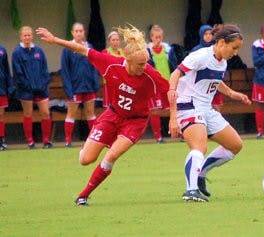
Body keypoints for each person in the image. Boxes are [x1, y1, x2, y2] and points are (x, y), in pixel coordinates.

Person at [36, 25, 169, 206]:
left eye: (146, 62)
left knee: (111, 156)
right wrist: (55, 40)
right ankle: (90, 144)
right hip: (112, 116)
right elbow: (81, 49)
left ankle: (83, 195)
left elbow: (172, 92)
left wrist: (175, 118)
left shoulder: (151, 75)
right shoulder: (111, 63)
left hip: (135, 122)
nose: (144, 67)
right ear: (127, 59)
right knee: (85, 160)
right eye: (140, 64)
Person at [167, 24, 251, 202]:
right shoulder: (200, 56)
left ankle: (201, 173)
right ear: (221, 42)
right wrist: (173, 117)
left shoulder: (223, 61)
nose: (235, 53)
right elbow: (175, 75)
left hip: (206, 109)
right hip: (188, 106)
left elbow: (215, 80)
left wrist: (233, 94)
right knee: (200, 147)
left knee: (235, 145)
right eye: (234, 48)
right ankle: (190, 191)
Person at [12, 26, 53, 149]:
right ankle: (30, 142)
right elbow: (18, 74)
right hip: (26, 90)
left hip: (41, 89)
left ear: (32, 36)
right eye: (25, 35)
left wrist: (43, 84)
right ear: (20, 37)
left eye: (29, 35)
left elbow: (45, 70)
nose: (27, 37)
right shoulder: (17, 52)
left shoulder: (39, 51)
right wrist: (28, 86)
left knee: (45, 113)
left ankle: (46, 141)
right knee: (28, 114)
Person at [61, 23, 100, 147]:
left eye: (81, 31)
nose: (79, 33)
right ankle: (68, 141)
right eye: (76, 31)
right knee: (71, 113)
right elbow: (65, 71)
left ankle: (93, 140)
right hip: (74, 88)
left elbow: (94, 66)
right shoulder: (67, 48)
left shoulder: (89, 47)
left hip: (88, 86)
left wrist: (95, 83)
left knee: (90, 113)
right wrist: (68, 89)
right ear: (72, 33)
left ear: (84, 32)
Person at [147, 25, 178, 143]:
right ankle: (158, 137)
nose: (158, 39)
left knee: (173, 107)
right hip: (154, 85)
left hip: (168, 83)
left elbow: (174, 66)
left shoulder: (168, 50)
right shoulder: (147, 51)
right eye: (156, 37)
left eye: (160, 37)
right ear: (151, 38)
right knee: (155, 110)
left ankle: (178, 133)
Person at [101, 31, 124, 108]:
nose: (115, 42)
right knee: (109, 107)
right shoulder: (105, 52)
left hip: (122, 84)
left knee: (121, 107)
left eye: (117, 40)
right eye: (113, 40)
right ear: (109, 41)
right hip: (109, 84)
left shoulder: (123, 52)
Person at [0, 44, 13, 150]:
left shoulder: (2, 49)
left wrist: (9, 86)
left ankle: (1, 140)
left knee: (1, 115)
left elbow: (7, 70)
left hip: (1, 88)